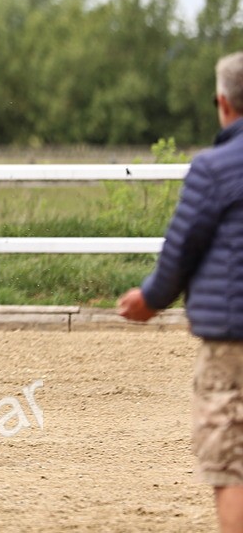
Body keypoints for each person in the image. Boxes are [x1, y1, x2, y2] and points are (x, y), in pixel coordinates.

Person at [118, 51, 243, 533]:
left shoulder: (214, 169)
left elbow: (182, 248)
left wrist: (149, 299)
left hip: (232, 342)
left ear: (223, 103)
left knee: (232, 461)